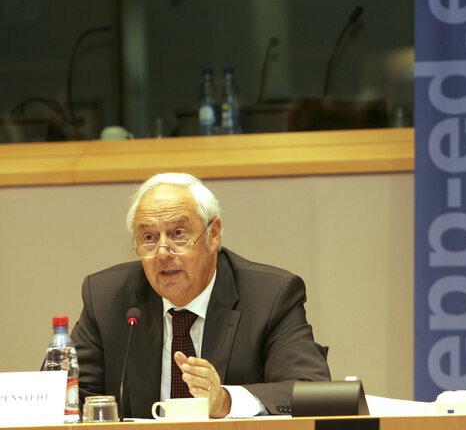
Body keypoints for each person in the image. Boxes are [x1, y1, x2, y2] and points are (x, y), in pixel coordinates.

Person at [71, 172, 331, 418]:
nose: (162, 252)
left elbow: (310, 389)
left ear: (213, 234)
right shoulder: (107, 297)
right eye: (149, 237)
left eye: (178, 233)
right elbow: (69, 396)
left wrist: (226, 400)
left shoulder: (270, 296)